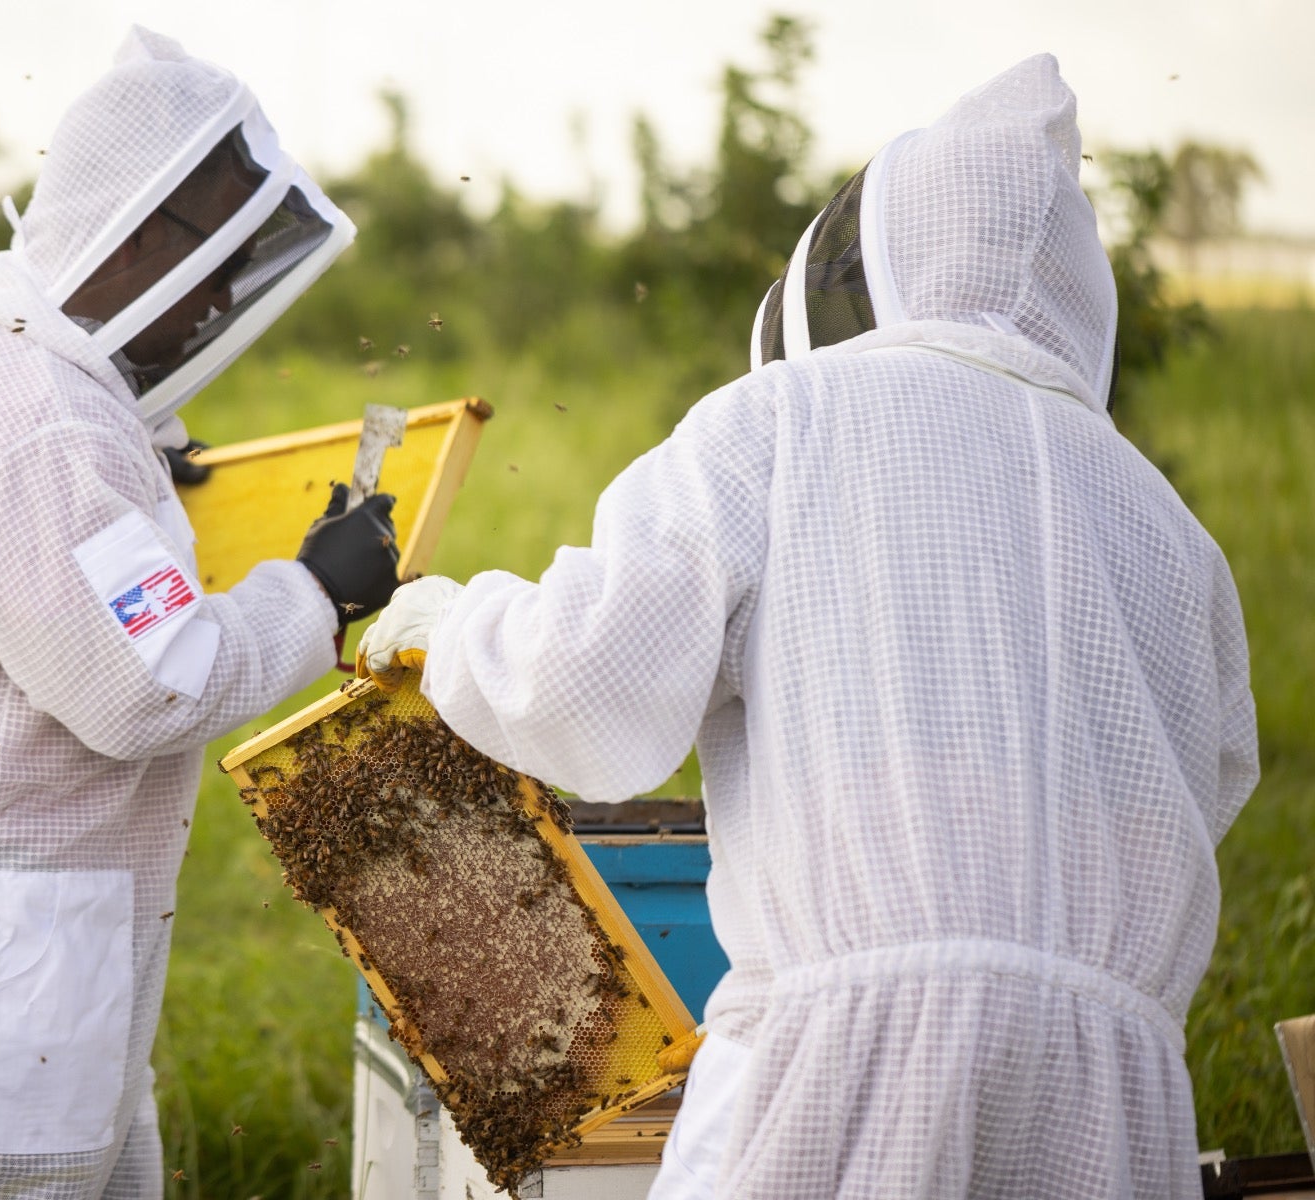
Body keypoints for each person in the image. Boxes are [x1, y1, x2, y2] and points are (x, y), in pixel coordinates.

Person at [359, 54, 1256, 1199]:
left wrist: (459, 624)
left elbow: (586, 686)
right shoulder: (1173, 528)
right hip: (1110, 1092)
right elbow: (1203, 786)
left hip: (844, 1066)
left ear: (866, 265)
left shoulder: (785, 418)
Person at [0, 27, 400, 1198]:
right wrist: (318, 590)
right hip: (7, 928)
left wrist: (158, 481)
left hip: (5, 907)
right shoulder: (39, 417)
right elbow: (151, 687)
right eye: (220, 253)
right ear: (141, 228)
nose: (221, 303)